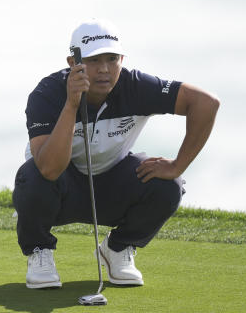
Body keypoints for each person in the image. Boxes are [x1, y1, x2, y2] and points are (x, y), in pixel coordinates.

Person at [12, 18, 220, 289]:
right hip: (59, 192)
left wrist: (177, 165)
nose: (104, 70)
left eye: (112, 59)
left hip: (112, 187)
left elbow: (206, 103)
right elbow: (50, 169)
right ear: (73, 63)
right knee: (32, 176)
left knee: (168, 185)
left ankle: (118, 249)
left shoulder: (136, 86)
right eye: (94, 60)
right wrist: (71, 105)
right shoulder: (47, 93)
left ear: (122, 59)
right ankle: (40, 250)